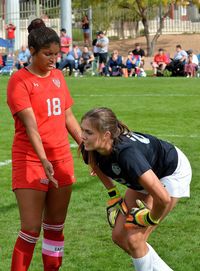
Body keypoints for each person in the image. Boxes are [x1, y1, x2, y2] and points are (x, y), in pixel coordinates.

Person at [7, 19, 82, 271]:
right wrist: (44, 160)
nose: (53, 60)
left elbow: (68, 116)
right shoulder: (19, 80)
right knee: (30, 229)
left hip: (61, 159)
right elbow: (31, 128)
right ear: (32, 52)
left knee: (55, 228)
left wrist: (84, 145)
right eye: (47, 54)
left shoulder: (59, 76)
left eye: (57, 54)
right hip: (31, 159)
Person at [80, 107, 192, 271]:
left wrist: (149, 218)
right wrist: (113, 194)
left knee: (135, 240)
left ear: (107, 135)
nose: (82, 136)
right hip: (145, 176)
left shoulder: (127, 155)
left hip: (170, 171)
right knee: (119, 236)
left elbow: (163, 198)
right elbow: (95, 165)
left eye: (88, 132)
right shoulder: (90, 147)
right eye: (82, 129)